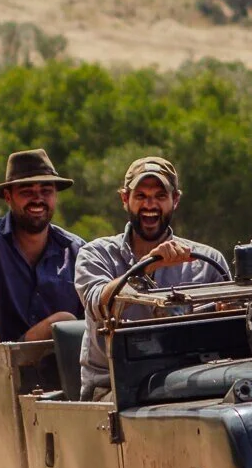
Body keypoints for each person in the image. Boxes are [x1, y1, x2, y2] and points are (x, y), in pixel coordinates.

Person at [73, 155, 229, 400]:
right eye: (141, 196)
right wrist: (146, 266)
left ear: (175, 200)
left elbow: (230, 328)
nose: (150, 205)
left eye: (160, 196)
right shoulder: (96, 254)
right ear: (125, 199)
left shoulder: (206, 261)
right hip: (114, 389)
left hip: (191, 384)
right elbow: (99, 304)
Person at [0, 148, 83, 362]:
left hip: (66, 373)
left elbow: (95, 319)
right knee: (63, 320)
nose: (38, 200)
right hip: (0, 370)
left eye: (46, 191)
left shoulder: (76, 251)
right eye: (27, 192)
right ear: (8, 197)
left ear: (55, 196)